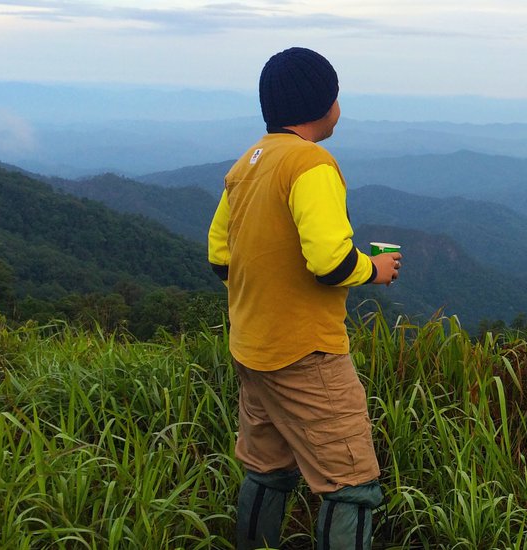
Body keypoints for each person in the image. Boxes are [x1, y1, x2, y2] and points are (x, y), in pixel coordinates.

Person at [207, 46, 402, 550]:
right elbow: (330, 263)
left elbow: (220, 257)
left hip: (253, 349)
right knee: (353, 484)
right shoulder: (311, 163)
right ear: (324, 104)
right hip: (306, 353)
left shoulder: (247, 163)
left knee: (267, 471)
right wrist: (375, 270)